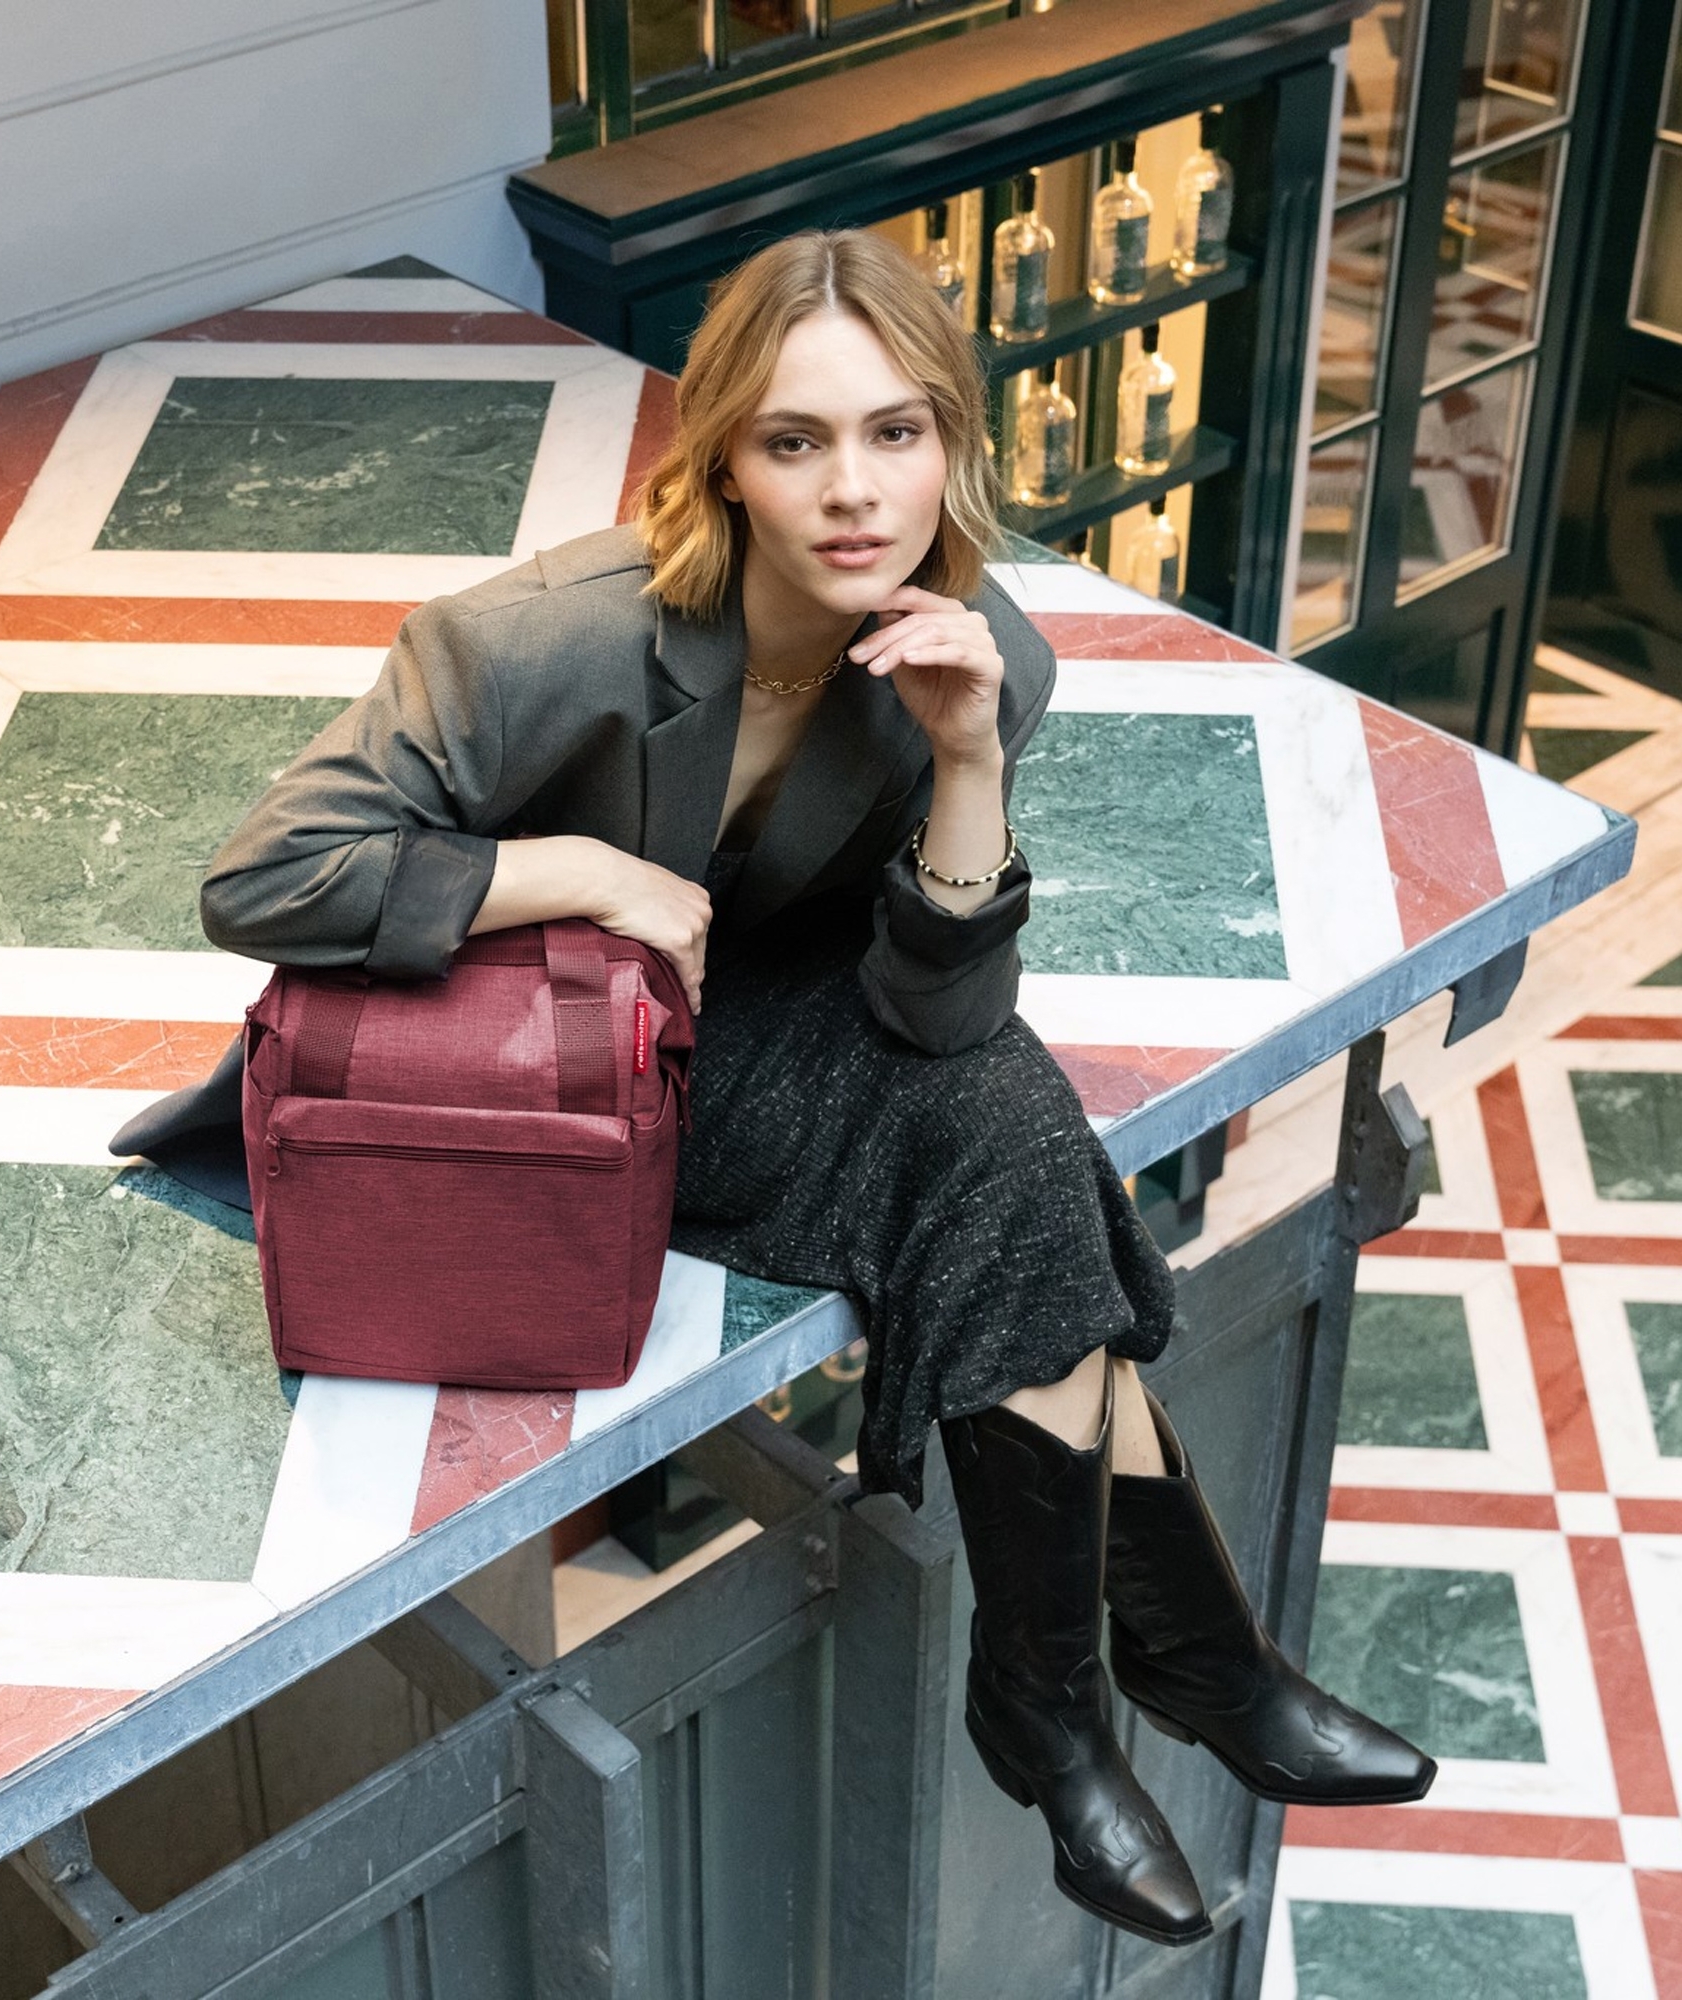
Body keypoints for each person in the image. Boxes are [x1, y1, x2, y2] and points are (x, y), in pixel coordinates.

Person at [115, 229, 1434, 1946]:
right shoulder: (540, 647)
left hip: (777, 1021)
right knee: (1030, 1198)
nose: (852, 489)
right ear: (725, 458)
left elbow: (939, 1022)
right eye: (795, 441)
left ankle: (1099, 1695)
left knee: (1006, 1132)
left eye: (897, 432)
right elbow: (263, 880)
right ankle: (1176, 1674)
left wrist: (967, 762)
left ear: (955, 441)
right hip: (555, 1065)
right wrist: (582, 870)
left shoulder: (982, 662)